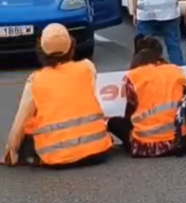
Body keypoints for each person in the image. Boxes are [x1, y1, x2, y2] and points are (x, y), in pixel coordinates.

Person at [4, 24, 113, 168]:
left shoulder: (35, 80)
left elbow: (20, 121)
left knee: (30, 124)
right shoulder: (87, 67)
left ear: (42, 50)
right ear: (71, 46)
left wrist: (11, 151)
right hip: (98, 152)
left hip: (57, 158)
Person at [106, 36, 186, 157]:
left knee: (113, 122)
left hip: (146, 145)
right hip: (181, 139)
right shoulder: (175, 71)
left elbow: (130, 113)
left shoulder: (134, 76)